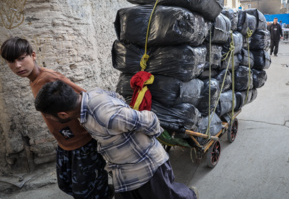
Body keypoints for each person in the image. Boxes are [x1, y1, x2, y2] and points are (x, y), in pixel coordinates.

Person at [34, 80, 199, 199]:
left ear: (63, 115)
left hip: (147, 167)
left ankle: (191, 195)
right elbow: (118, 98)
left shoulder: (105, 116)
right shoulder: (90, 97)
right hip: (125, 172)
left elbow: (149, 120)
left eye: (49, 117)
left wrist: (149, 142)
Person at [0, 37, 112, 199]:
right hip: (65, 144)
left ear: (33, 55)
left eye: (21, 58)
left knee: (87, 190)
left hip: (83, 144)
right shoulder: (34, 80)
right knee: (66, 183)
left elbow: (86, 98)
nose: (17, 66)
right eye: (11, 61)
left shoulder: (50, 78)